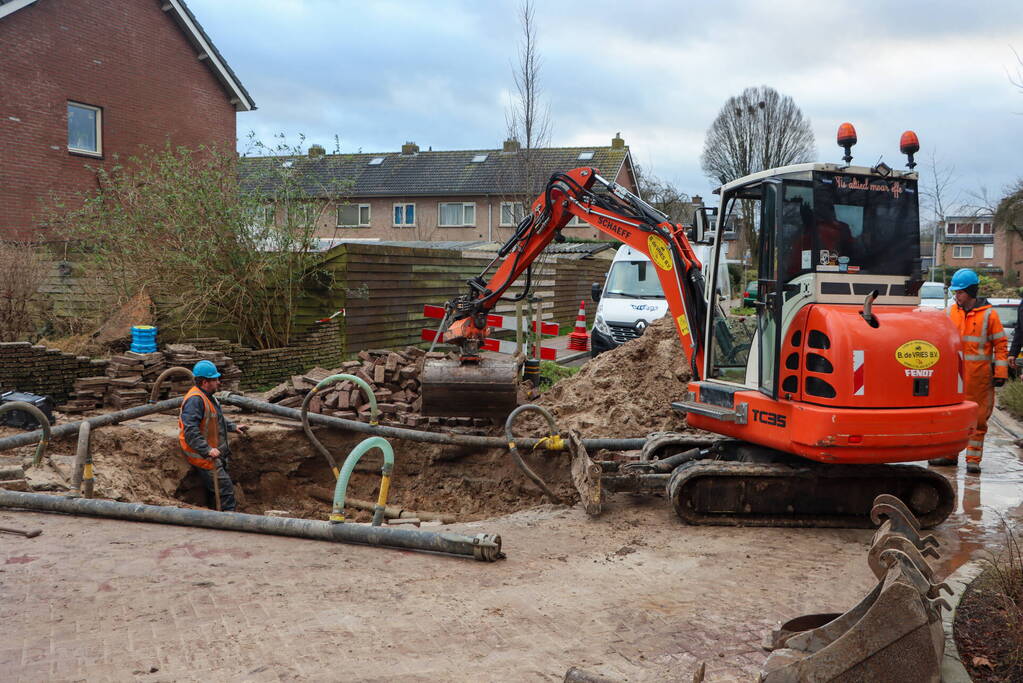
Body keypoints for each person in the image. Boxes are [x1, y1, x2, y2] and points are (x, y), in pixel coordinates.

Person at [929, 268, 1008, 473]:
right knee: (951, 417)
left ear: (971, 292)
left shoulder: (989, 315)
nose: (957, 296)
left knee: (978, 419)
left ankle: (973, 460)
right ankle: (949, 455)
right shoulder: (949, 313)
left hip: (979, 378)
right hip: (953, 378)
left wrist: (1001, 373)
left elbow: (1000, 344)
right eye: (955, 292)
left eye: (960, 292)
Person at [178, 360, 247, 510]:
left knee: (217, 490)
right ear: (204, 382)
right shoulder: (195, 400)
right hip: (204, 457)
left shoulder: (208, 396)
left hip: (213, 453)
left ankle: (214, 512)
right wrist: (207, 450)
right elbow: (190, 431)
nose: (218, 382)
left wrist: (232, 426)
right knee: (225, 490)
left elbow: (215, 417)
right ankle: (229, 522)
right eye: (215, 379)